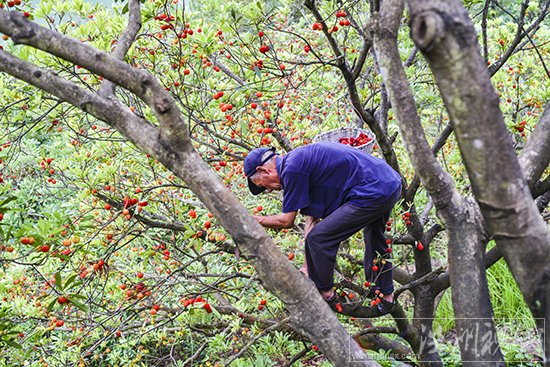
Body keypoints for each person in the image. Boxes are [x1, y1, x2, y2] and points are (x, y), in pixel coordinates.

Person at [244, 141, 402, 314]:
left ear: (264, 170)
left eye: (262, 185)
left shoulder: (292, 169)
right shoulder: (298, 163)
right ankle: (386, 295)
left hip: (373, 190)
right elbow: (311, 221)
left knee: (320, 239)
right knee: (374, 236)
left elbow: (286, 221)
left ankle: (326, 292)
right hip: (389, 182)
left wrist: (252, 220)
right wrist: (306, 267)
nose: (267, 190)